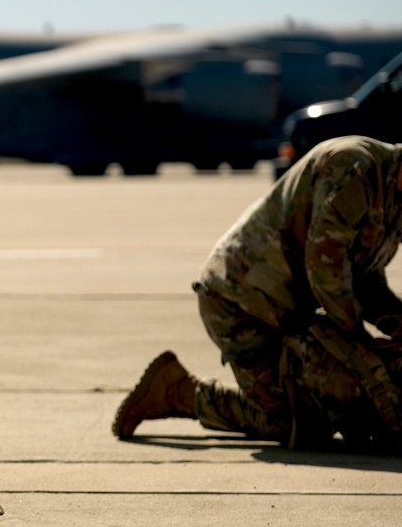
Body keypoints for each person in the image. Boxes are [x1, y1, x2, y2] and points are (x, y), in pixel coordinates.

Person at [113, 135, 402, 450]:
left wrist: (396, 322)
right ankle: (176, 391)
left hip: (287, 309)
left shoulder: (395, 195)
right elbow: (325, 268)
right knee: (297, 425)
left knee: (324, 411)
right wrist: (362, 348)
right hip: (241, 302)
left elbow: (363, 277)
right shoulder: (354, 167)